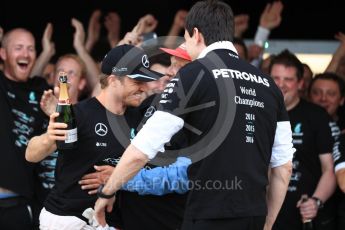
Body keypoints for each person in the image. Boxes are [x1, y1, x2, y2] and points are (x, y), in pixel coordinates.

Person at [94, 1, 294, 230]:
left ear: (196, 34)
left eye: (186, 39)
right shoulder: (268, 84)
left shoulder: (192, 74)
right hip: (254, 215)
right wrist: (267, 224)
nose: (187, 46)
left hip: (208, 214)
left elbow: (143, 148)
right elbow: (284, 166)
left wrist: (107, 189)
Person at [25, 44, 163, 229]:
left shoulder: (137, 117)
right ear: (114, 80)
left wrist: (118, 180)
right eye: (137, 81)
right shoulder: (80, 114)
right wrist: (49, 137)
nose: (144, 88)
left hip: (105, 220)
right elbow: (31, 155)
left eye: (146, 81)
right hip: (67, 218)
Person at [270, 50, 337, 230]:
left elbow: (329, 169)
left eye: (288, 79)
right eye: (275, 78)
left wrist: (316, 201)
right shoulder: (255, 113)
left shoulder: (316, 116)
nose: (281, 85)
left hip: (301, 215)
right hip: (263, 213)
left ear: (300, 83)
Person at [0, 28, 50, 229]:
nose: (25, 54)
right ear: (3, 54)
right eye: (18, 48)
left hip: (20, 207)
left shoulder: (40, 89)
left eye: (31, 48)